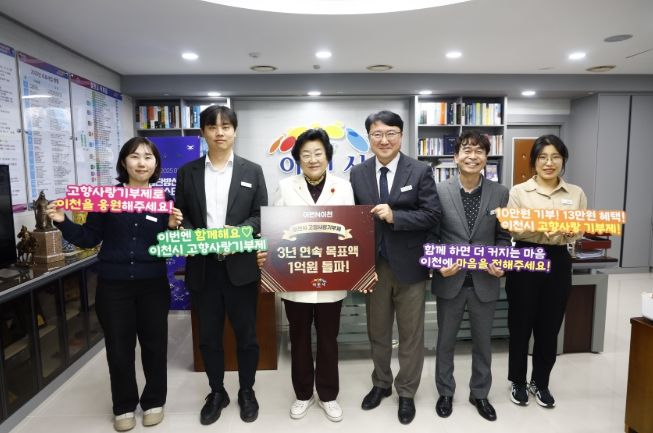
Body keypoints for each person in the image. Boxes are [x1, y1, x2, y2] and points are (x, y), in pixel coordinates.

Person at [46, 137, 183, 432]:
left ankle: (154, 401)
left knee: (154, 346)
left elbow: (169, 248)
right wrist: (62, 221)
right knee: (118, 349)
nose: (142, 163)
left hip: (152, 286)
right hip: (113, 287)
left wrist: (172, 228)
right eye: (135, 156)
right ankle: (123, 406)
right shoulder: (106, 198)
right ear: (124, 162)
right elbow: (89, 238)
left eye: (148, 157)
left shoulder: (164, 199)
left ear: (156, 164)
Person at [174, 105, 268, 425]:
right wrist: (192, 233)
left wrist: (240, 231)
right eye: (212, 127)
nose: (219, 133)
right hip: (204, 267)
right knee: (209, 337)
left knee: (247, 335)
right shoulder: (187, 172)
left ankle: (246, 390)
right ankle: (217, 392)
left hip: (240, 266)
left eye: (226, 126)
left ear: (235, 131)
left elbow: (261, 215)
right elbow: (181, 215)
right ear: (203, 132)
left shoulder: (251, 170)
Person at [349, 110, 441, 425]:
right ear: (369, 138)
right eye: (377, 134)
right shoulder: (358, 173)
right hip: (373, 267)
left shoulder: (420, 170)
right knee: (377, 331)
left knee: (411, 334)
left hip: (410, 266)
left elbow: (432, 215)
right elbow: (353, 219)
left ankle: (406, 392)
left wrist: (396, 216)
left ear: (401, 136)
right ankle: (381, 383)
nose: (384, 140)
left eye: (391, 133)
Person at [272, 128, 354, 422]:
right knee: (299, 339)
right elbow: (276, 230)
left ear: (328, 156)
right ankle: (303, 394)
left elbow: (352, 229)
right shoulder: (285, 186)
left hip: (331, 279)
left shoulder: (343, 186)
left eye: (318, 153)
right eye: (306, 154)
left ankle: (328, 395)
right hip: (296, 279)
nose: (312, 159)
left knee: (329, 339)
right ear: (298, 159)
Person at [430, 131, 510, 422]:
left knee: (483, 343)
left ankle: (480, 393)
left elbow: (503, 236)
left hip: (484, 281)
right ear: (456, 157)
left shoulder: (500, 192)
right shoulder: (439, 191)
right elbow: (432, 234)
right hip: (450, 280)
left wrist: (502, 261)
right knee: (445, 342)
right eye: (466, 150)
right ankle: (445, 392)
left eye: (479, 151)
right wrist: (438, 262)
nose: (472, 156)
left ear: (486, 158)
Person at [505, 135, 587, 408]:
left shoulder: (575, 193)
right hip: (526, 256)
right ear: (534, 161)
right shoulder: (519, 191)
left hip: (558, 259)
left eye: (555, 157)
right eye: (542, 157)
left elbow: (580, 227)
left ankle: (540, 383)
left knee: (549, 327)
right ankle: (517, 381)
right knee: (520, 324)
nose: (549, 163)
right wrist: (542, 226)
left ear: (563, 160)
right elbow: (513, 227)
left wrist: (570, 231)